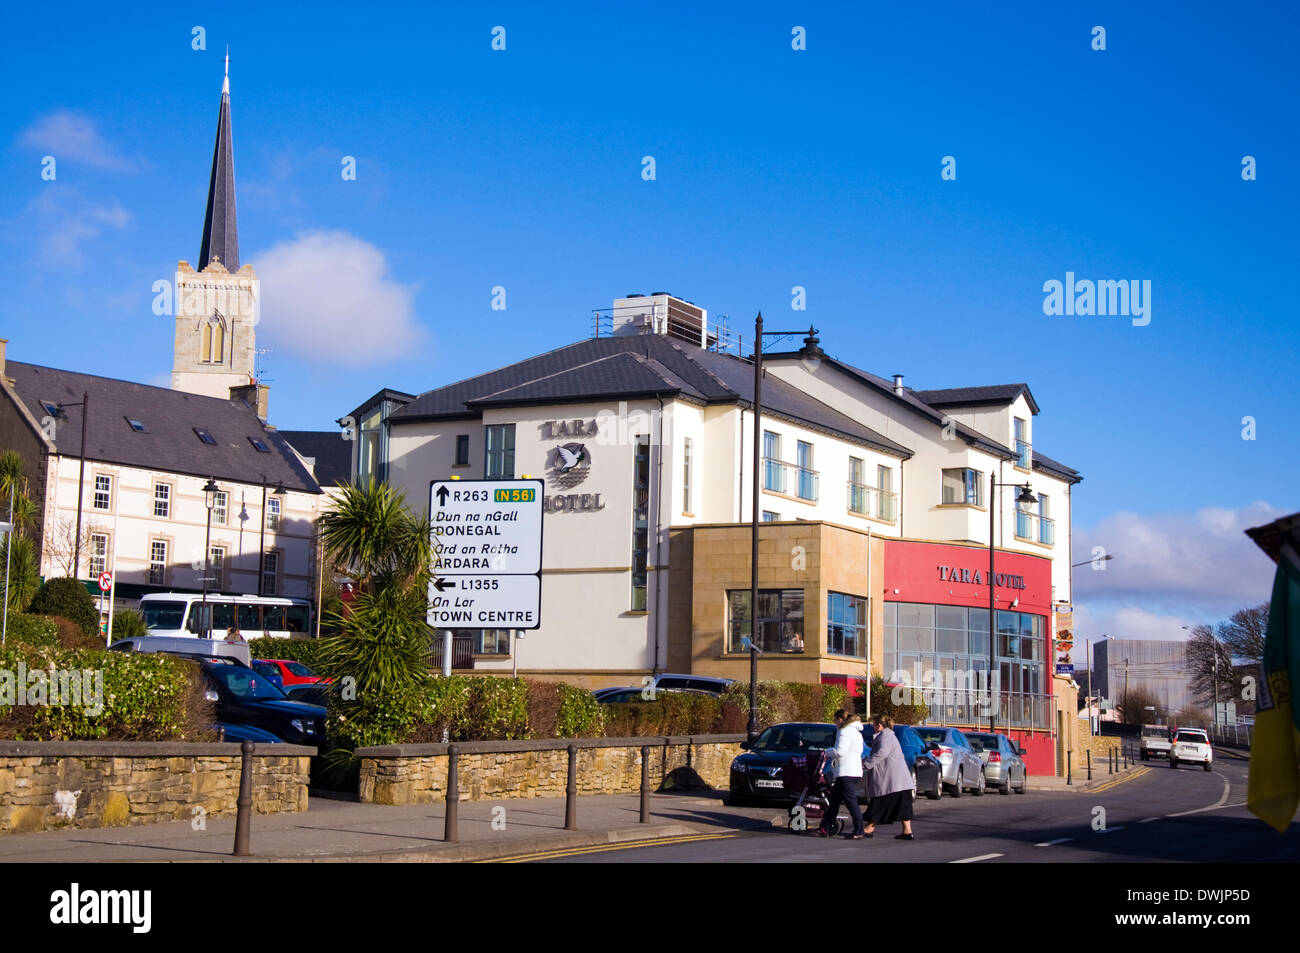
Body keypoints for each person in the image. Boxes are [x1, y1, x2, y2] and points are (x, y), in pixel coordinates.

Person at [861, 714, 915, 839]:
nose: (872, 727)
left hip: (891, 780)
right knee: (902, 805)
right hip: (899, 780)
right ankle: (907, 831)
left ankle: (869, 828)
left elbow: (881, 753)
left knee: (880, 803)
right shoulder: (889, 736)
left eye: (873, 724)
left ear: (879, 725)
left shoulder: (885, 737)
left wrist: (866, 764)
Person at [818, 709, 865, 839]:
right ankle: (825, 827)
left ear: (840, 719)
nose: (835, 723)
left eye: (835, 720)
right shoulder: (856, 732)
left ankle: (859, 831)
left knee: (851, 802)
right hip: (852, 770)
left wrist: (826, 752)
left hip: (846, 771)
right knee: (834, 801)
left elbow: (840, 751)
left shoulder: (844, 732)